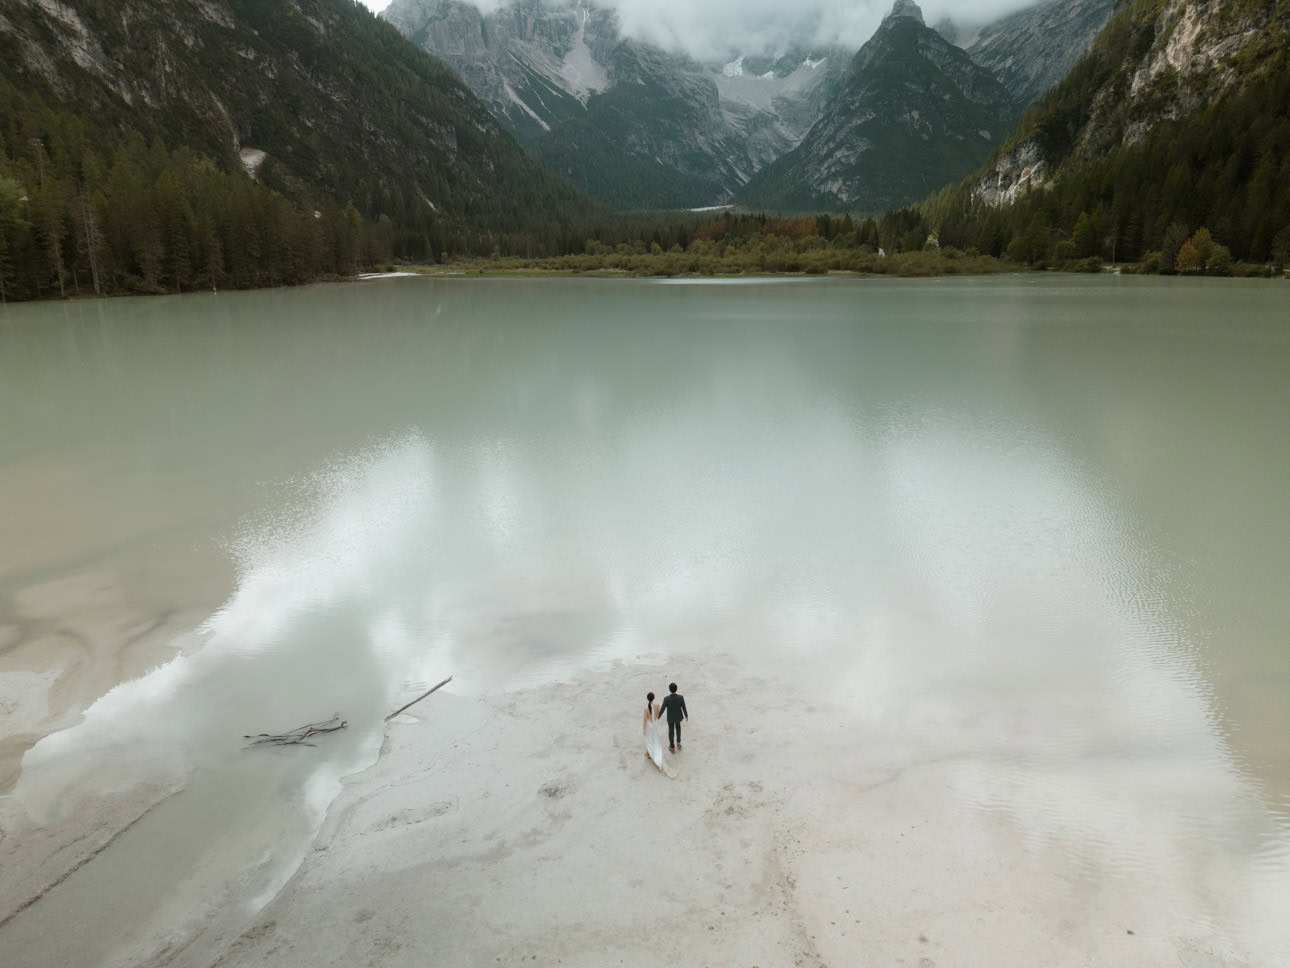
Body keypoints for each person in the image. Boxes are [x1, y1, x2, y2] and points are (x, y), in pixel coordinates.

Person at [642, 692, 674, 778]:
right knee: (654, 739)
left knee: (649, 740)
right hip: (655, 725)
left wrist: (644, 729)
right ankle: (650, 752)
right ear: (654, 698)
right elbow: (657, 715)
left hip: (649, 725)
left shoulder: (645, 709)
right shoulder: (657, 706)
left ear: (647, 699)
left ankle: (650, 753)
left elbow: (645, 720)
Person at [658, 681, 688, 752]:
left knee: (671, 731)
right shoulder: (681, 697)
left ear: (669, 689)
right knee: (678, 728)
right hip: (678, 717)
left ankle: (672, 747)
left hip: (670, 718)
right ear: (676, 689)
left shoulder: (666, 699)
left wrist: (658, 716)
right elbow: (684, 707)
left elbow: (663, 708)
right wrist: (686, 715)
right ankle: (678, 743)